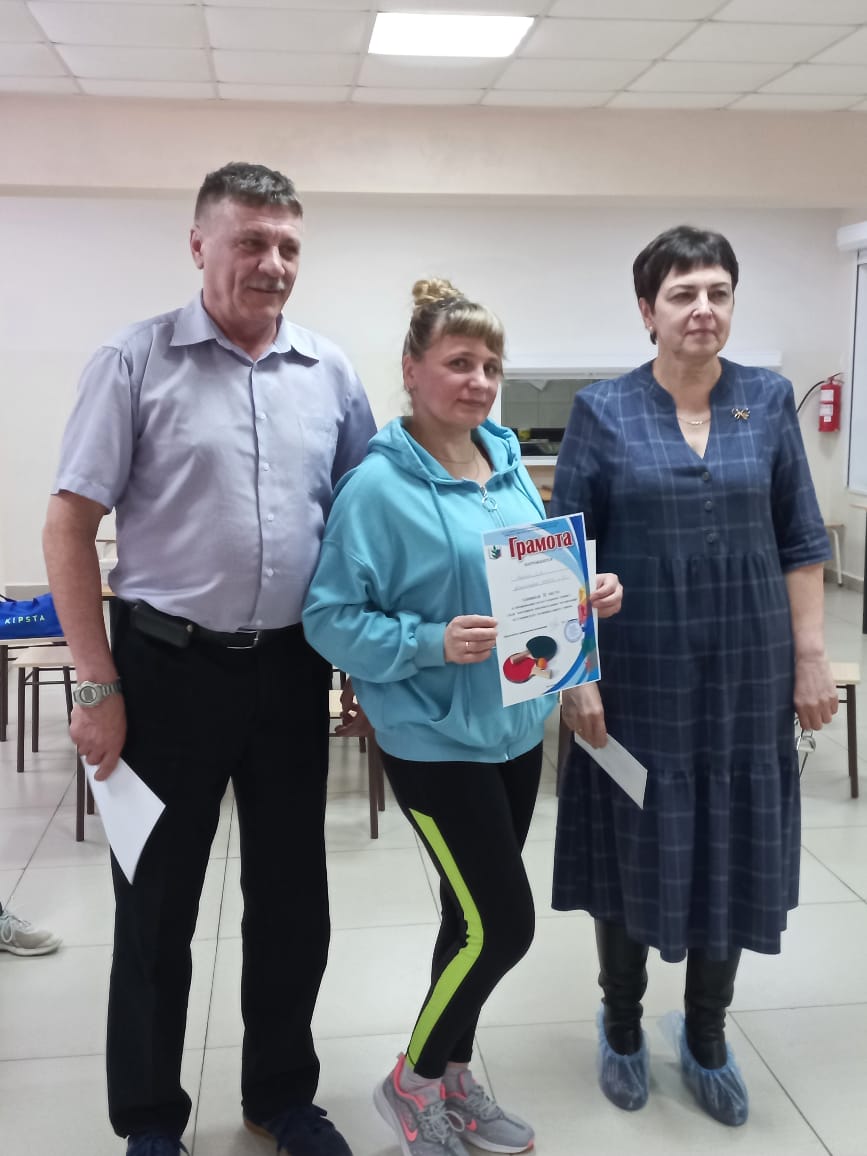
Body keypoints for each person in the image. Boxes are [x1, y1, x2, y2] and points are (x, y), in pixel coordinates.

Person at [42, 162, 377, 1156]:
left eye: (288, 246)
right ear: (199, 245)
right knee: (155, 909)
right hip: (164, 676)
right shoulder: (133, 360)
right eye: (250, 242)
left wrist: (372, 664)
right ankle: (149, 1118)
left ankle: (280, 1095)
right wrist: (96, 682)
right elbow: (68, 527)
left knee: (292, 901)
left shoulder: (330, 371)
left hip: (290, 671)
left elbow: (365, 527)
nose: (272, 263)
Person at [303, 278, 622, 1156]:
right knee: (504, 925)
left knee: (466, 920)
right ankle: (411, 1080)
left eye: (489, 365)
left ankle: (451, 1075)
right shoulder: (376, 488)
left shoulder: (507, 470)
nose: (477, 380)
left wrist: (585, 594)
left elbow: (534, 584)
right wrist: (429, 643)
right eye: (457, 363)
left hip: (515, 732)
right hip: (433, 742)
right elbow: (329, 619)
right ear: (411, 371)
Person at [550, 225, 837, 1126]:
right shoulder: (603, 410)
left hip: (747, 671)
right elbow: (564, 554)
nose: (702, 309)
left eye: (717, 291)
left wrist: (809, 656)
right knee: (631, 838)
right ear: (648, 311)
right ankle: (622, 1022)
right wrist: (575, 676)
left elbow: (800, 539)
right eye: (682, 294)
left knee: (732, 840)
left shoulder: (767, 399)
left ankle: (706, 1031)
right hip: (638, 671)